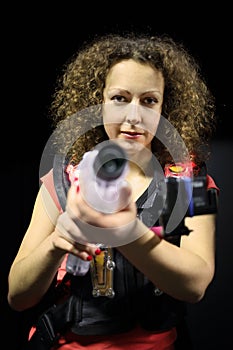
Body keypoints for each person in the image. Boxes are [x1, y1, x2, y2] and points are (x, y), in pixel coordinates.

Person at [7, 32, 219, 350]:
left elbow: (196, 285)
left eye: (149, 100)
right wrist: (55, 244)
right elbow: (17, 296)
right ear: (99, 102)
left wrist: (127, 232)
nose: (133, 116)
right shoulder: (63, 182)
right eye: (120, 98)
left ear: (165, 109)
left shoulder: (189, 182)